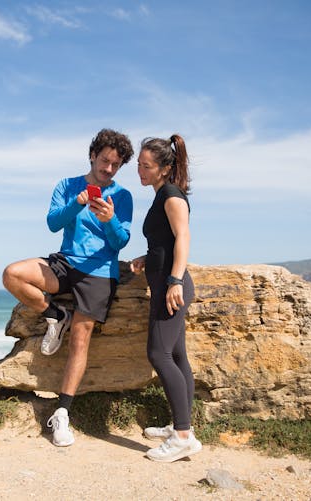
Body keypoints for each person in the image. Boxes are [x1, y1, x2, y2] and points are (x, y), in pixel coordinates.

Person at [2, 128, 134, 447]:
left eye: (116, 165)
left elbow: (121, 241)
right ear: (92, 156)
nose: (108, 169)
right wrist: (77, 204)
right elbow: (52, 223)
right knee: (12, 274)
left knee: (80, 337)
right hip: (66, 262)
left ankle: (62, 412)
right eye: (104, 161)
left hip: (100, 271)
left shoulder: (123, 196)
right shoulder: (67, 185)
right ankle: (54, 314)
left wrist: (110, 220)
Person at [130, 134, 202, 462]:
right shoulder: (161, 195)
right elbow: (164, 241)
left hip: (171, 287)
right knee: (177, 356)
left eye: (146, 166)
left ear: (164, 169)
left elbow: (184, 236)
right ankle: (182, 428)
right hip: (163, 281)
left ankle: (183, 436)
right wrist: (148, 259)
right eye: (139, 165)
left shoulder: (172, 196)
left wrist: (174, 280)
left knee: (159, 354)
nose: (140, 171)